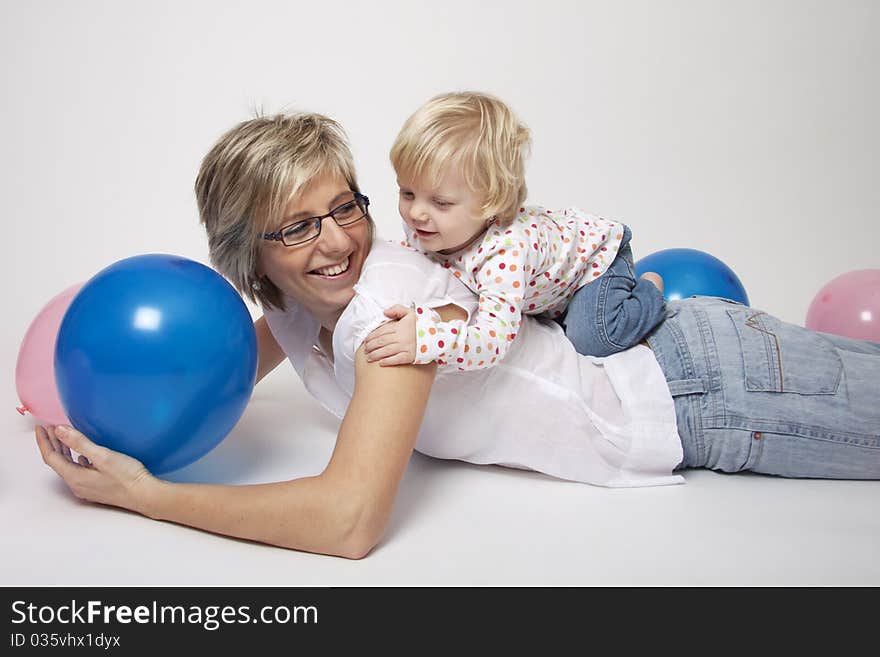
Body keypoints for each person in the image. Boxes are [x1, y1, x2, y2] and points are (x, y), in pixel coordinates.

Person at [35, 112, 880, 560]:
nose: (335, 241)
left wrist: (147, 495)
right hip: (687, 381)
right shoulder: (294, 309)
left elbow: (349, 520)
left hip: (707, 389)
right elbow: (200, 365)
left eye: (343, 207)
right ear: (246, 255)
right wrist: (80, 414)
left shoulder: (387, 309)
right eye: (294, 228)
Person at [363, 91, 666, 370]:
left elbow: (492, 344)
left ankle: (649, 289)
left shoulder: (503, 254)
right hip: (549, 282)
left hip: (595, 264)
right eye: (407, 193)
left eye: (440, 202)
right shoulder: (426, 225)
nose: (416, 213)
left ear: (490, 204)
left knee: (591, 340)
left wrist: (431, 340)